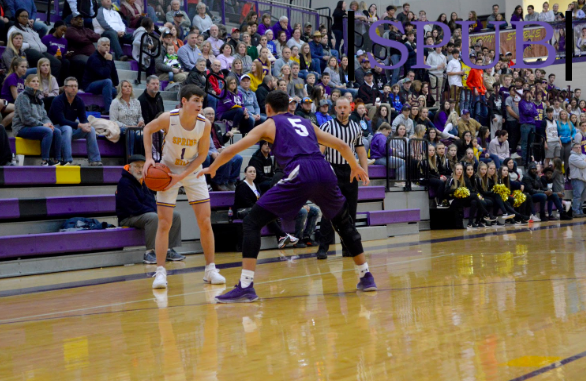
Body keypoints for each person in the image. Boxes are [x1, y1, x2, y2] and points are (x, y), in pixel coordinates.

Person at [198, 90, 375, 302]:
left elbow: (232, 150)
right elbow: (343, 145)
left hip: (301, 171)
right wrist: (355, 166)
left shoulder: (270, 123)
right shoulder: (305, 122)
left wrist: (213, 168)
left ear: (268, 109)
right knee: (343, 223)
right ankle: (366, 276)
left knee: (252, 222)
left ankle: (245, 285)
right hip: (325, 170)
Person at [142, 85, 226, 289]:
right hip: (167, 170)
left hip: (191, 171)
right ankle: (160, 272)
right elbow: (147, 129)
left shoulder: (204, 124)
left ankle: (210, 269)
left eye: (201, 101)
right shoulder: (168, 118)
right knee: (164, 223)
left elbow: (202, 156)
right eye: (196, 100)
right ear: (184, 101)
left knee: (205, 221)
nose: (200, 105)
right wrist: (148, 159)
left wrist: (182, 176)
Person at [316, 97, 369, 259]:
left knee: (351, 211)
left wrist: (364, 171)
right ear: (335, 109)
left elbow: (360, 151)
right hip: (332, 170)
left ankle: (348, 247)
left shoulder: (356, 127)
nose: (342, 110)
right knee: (329, 210)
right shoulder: (327, 126)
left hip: (351, 171)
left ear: (350, 109)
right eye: (340, 107)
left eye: (345, 107)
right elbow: (320, 152)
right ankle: (323, 247)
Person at [116, 154, 185, 264]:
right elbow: (134, 207)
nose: (140, 170)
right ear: (130, 167)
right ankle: (149, 252)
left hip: (143, 214)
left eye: (142, 167)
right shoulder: (124, 183)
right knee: (153, 217)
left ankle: (168, 250)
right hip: (128, 217)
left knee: (174, 215)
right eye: (137, 166)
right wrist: (155, 212)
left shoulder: (146, 181)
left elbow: (152, 202)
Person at [234, 165, 298, 249]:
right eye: (250, 172)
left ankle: (280, 238)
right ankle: (283, 235)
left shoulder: (255, 185)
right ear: (245, 173)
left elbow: (259, 199)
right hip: (242, 210)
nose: (252, 173)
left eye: (254, 171)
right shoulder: (242, 185)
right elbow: (246, 202)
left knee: (271, 212)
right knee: (264, 213)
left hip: (252, 209)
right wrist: (259, 208)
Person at [50, 77, 102, 166]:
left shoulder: (79, 101)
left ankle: (95, 160)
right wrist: (79, 125)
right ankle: (68, 160)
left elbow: (83, 118)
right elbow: (61, 121)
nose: (74, 88)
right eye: (71, 86)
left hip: (71, 128)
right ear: (65, 88)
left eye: (75, 86)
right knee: (67, 128)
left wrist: (86, 125)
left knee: (91, 130)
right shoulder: (57, 100)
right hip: (56, 128)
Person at [12, 74, 62, 166]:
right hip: (22, 127)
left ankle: (57, 160)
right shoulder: (22, 96)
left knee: (56, 131)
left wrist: (49, 124)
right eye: (33, 81)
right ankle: (45, 161)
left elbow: (44, 116)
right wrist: (43, 125)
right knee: (47, 131)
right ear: (27, 84)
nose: (36, 83)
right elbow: (25, 119)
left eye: (37, 81)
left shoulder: (38, 98)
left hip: (36, 126)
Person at [8, 9, 62, 81]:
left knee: (57, 63)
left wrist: (43, 47)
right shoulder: (14, 29)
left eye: (26, 16)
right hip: (27, 51)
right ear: (17, 17)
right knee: (44, 62)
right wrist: (28, 45)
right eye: (22, 16)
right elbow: (11, 43)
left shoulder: (31, 29)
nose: (25, 18)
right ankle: (42, 85)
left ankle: (51, 84)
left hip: (41, 51)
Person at [202, 107, 242, 191]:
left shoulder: (216, 127)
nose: (211, 116)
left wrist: (226, 138)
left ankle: (231, 182)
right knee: (226, 159)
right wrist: (212, 152)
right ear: (203, 116)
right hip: (209, 152)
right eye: (208, 114)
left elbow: (221, 142)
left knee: (238, 158)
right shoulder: (201, 128)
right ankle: (218, 182)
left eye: (212, 114)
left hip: (217, 150)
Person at [81, 37, 119, 114]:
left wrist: (117, 85)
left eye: (108, 45)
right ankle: (108, 110)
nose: (107, 47)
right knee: (107, 82)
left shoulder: (108, 55)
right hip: (90, 85)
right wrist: (108, 61)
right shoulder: (94, 58)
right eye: (104, 45)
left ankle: (121, 112)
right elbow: (104, 74)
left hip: (103, 85)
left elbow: (113, 72)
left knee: (122, 89)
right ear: (98, 46)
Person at [65, 13, 100, 80]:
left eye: (81, 19)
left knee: (105, 62)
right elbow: (80, 39)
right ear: (72, 21)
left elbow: (98, 37)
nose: (80, 21)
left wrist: (88, 37)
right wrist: (91, 38)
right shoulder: (70, 30)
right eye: (77, 19)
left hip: (91, 55)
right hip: (77, 55)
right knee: (89, 62)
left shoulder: (87, 30)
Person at [570, 143, 586, 217]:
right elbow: (582, 165)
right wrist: (584, 161)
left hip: (584, 179)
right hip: (577, 179)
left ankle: (580, 210)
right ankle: (575, 211)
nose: (579, 149)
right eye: (577, 147)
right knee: (577, 196)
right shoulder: (572, 157)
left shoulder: (583, 156)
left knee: (583, 197)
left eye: (579, 147)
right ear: (573, 149)